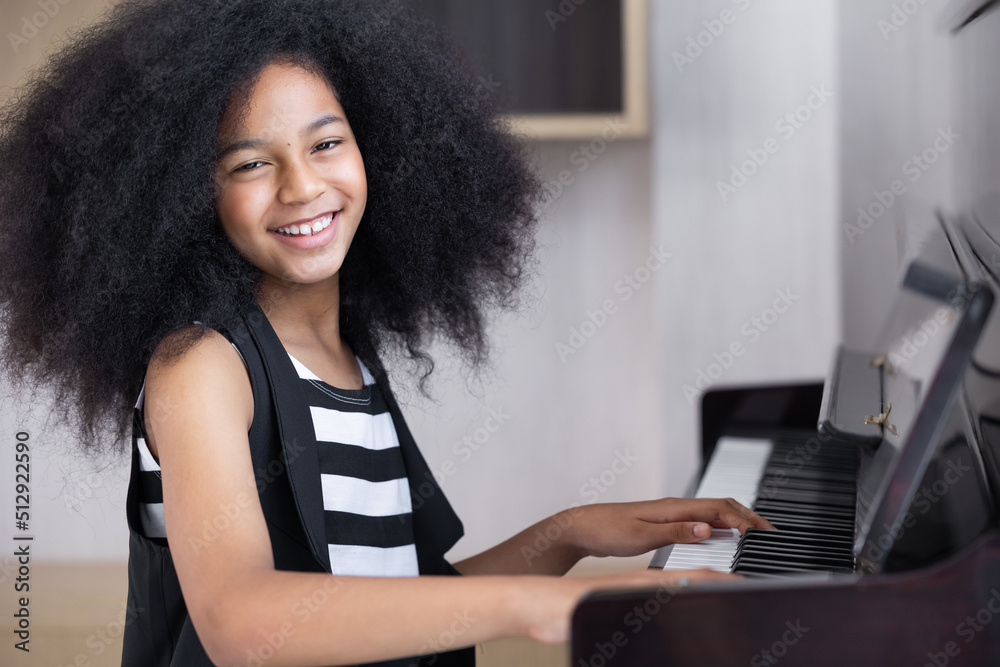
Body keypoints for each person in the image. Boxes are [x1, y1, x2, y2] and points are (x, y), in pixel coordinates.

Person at [0, 1, 773, 665]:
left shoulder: (348, 361)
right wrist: (549, 606)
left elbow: (401, 607)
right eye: (248, 165)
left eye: (326, 143)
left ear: (380, 144)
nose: (303, 186)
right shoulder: (203, 367)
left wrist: (567, 535)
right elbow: (245, 622)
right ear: (181, 195)